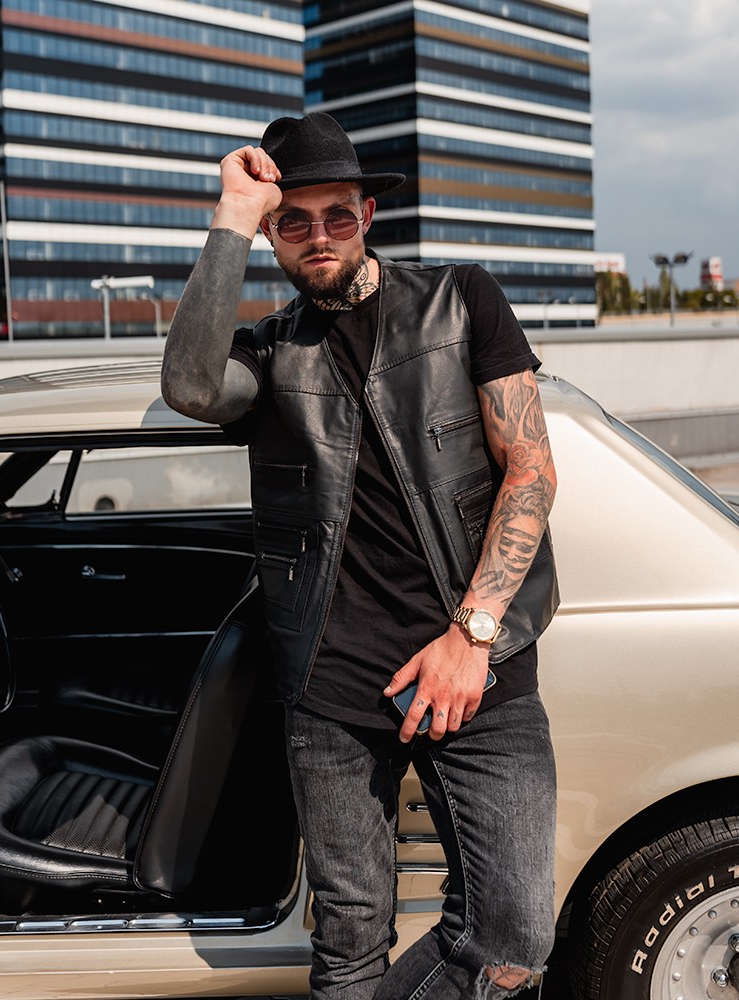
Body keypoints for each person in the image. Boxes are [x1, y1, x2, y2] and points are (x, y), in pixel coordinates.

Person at [161, 112, 560, 1000]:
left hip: (478, 674)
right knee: (347, 946)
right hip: (331, 688)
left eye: (337, 215)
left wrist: (471, 637)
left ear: (367, 215)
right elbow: (189, 384)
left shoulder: (463, 301)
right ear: (272, 234)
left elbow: (530, 471)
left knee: (512, 938)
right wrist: (232, 214)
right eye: (292, 221)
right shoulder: (269, 352)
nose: (319, 236)